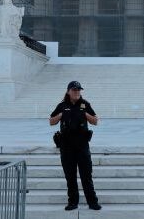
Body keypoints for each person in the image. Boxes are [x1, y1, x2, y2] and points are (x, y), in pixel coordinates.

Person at [49, 81, 102, 211]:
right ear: (68, 91)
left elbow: (95, 121)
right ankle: (73, 202)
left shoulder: (85, 104)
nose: (77, 92)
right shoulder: (62, 105)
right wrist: (62, 114)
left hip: (82, 146)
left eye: (79, 90)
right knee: (70, 176)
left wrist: (84, 114)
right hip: (66, 147)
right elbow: (51, 121)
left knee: (86, 176)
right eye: (74, 90)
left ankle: (92, 202)